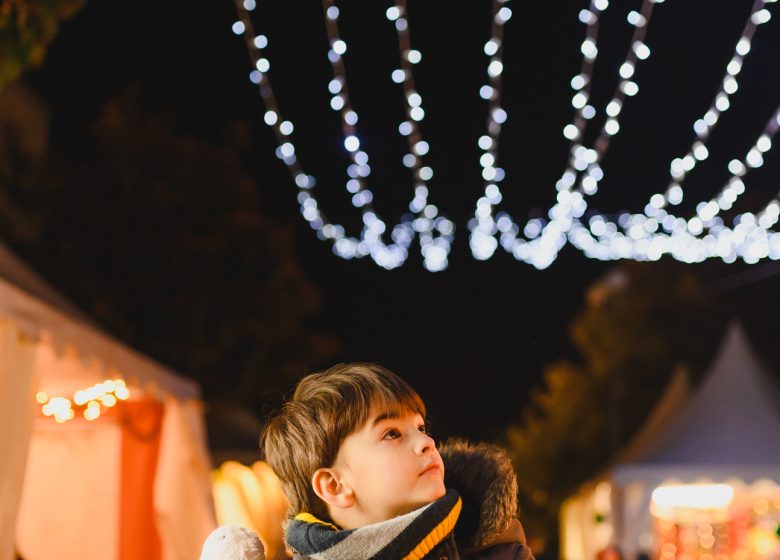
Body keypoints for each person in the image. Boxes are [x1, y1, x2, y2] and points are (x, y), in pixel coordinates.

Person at [260, 362, 534, 559]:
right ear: (334, 486)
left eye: (420, 428)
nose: (427, 443)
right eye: (392, 434)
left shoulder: (496, 549)